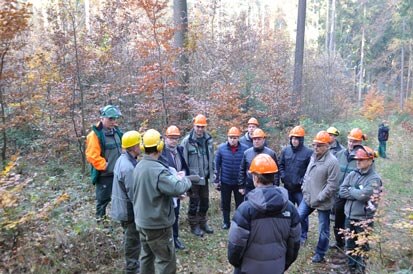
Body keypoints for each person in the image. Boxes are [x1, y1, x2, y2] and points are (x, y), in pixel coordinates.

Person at [228, 154, 301, 274]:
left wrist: (238, 265)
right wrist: (283, 264)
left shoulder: (245, 209)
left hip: (247, 269)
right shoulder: (290, 208)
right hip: (277, 269)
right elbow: (295, 243)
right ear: (273, 176)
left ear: (255, 178)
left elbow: (235, 246)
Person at [132, 129, 192, 274]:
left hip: (141, 221)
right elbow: (178, 187)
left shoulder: (139, 166)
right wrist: (185, 178)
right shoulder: (158, 170)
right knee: (165, 261)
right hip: (157, 225)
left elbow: (153, 190)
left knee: (146, 257)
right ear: (160, 146)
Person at [339, 146, 382, 274]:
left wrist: (351, 190)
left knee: (362, 247)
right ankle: (351, 268)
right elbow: (341, 191)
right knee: (349, 244)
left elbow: (364, 195)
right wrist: (356, 193)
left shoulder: (374, 179)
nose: (358, 161)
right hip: (349, 216)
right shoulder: (353, 174)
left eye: (361, 159)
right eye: (357, 159)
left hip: (364, 219)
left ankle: (360, 270)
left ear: (370, 160)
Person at [298, 130, 339, 263]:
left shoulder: (332, 162)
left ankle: (320, 253)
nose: (316, 147)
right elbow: (307, 175)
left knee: (323, 229)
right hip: (308, 198)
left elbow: (332, 185)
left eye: (319, 145)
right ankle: (295, 240)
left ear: (327, 146)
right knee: (297, 218)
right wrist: (304, 189)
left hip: (323, 202)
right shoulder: (313, 156)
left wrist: (320, 197)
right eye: (315, 145)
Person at [111, 130, 142, 274]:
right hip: (128, 210)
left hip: (123, 208)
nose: (141, 146)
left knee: (132, 238)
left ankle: (133, 265)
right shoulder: (128, 167)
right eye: (139, 143)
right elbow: (133, 194)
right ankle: (132, 268)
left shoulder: (123, 159)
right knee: (132, 240)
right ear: (134, 147)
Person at [86, 105, 123, 221]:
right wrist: (103, 165)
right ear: (102, 118)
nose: (113, 121)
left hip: (118, 174)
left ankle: (119, 220)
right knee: (102, 201)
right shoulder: (95, 135)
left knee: (120, 199)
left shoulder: (117, 132)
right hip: (105, 175)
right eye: (110, 119)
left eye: (115, 119)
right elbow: (92, 155)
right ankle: (101, 224)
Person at [331, 128, 367, 249]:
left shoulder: (364, 158)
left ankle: (352, 248)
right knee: (338, 220)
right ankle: (339, 242)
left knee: (352, 223)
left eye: (355, 142)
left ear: (360, 142)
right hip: (339, 194)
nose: (351, 144)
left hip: (353, 196)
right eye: (350, 141)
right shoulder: (339, 154)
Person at [181, 114, 215, 236]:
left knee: (205, 202)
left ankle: (202, 222)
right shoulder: (187, 141)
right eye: (198, 126)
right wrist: (185, 179)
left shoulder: (208, 139)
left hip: (205, 177)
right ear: (194, 125)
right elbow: (183, 162)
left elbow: (212, 158)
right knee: (194, 203)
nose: (200, 129)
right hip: (193, 179)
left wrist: (213, 174)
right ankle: (194, 226)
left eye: (202, 126)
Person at [279, 126, 312, 245]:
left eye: (297, 139)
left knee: (303, 213)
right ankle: (289, 232)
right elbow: (280, 165)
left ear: (301, 140)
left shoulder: (308, 153)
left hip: (300, 190)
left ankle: (303, 235)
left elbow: (310, 171)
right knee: (287, 211)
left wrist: (302, 181)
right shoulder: (285, 151)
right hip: (288, 188)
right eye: (293, 138)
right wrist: (283, 176)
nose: (294, 141)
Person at [159, 125, 190, 250]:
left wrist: (182, 176)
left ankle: (175, 238)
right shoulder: (161, 152)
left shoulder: (180, 150)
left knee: (176, 215)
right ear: (166, 138)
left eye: (176, 138)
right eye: (171, 138)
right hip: (167, 189)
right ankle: (167, 240)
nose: (173, 140)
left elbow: (183, 167)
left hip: (177, 187)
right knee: (167, 215)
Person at [214, 127, 248, 230]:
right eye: (231, 137)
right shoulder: (221, 148)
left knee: (240, 204)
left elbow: (247, 166)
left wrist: (245, 182)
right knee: (225, 203)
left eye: (235, 137)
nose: (233, 140)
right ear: (227, 137)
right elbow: (217, 164)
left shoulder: (245, 149)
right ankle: (226, 222)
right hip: (225, 181)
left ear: (238, 138)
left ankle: (238, 221)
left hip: (239, 182)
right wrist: (216, 180)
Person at [238, 128, 279, 196]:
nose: (256, 141)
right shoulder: (247, 153)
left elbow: (276, 172)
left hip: (267, 187)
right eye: (254, 139)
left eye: (259, 139)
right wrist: (241, 186)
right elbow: (242, 170)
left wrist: (276, 186)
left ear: (263, 140)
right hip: (250, 187)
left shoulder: (271, 153)